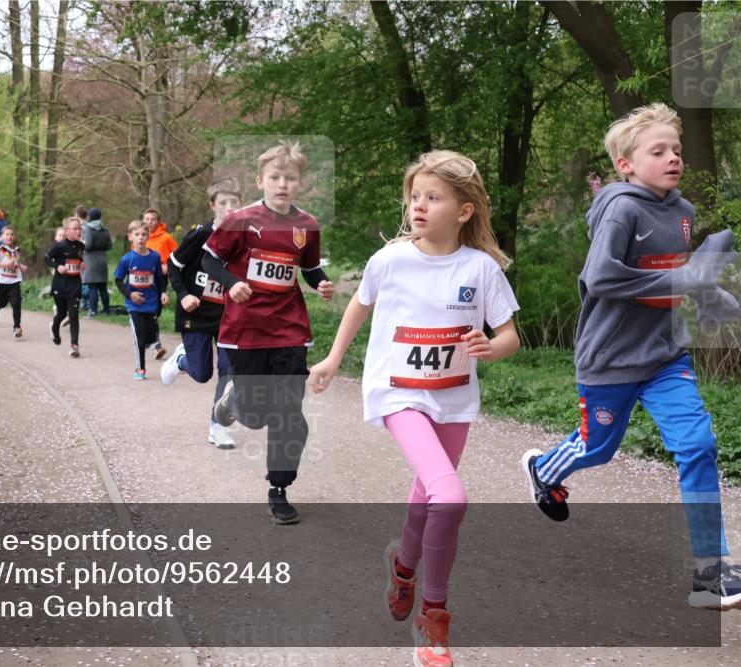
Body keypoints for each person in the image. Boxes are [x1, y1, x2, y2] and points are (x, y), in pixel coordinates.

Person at [519, 103, 741, 611]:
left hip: (666, 357)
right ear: (626, 164)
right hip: (611, 359)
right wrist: (684, 280)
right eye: (658, 151)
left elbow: (683, 277)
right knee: (598, 449)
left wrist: (712, 298)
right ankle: (545, 471)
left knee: (699, 445)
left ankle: (712, 573)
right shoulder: (621, 209)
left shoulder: (683, 214)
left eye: (677, 151)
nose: (672, 159)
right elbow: (600, 279)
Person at [309, 150, 520, 666]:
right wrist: (334, 359)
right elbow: (360, 305)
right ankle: (434, 617)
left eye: (433, 197)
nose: (418, 206)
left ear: (464, 210)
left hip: (453, 397)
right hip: (398, 391)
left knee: (427, 494)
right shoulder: (391, 260)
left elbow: (510, 334)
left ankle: (403, 566)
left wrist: (494, 347)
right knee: (449, 496)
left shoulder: (480, 268)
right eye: (414, 196)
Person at [201, 140, 334, 526]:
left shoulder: (306, 225)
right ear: (261, 180)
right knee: (257, 416)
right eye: (275, 177)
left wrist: (322, 283)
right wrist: (230, 282)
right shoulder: (241, 220)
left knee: (290, 413)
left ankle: (279, 488)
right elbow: (210, 258)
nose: (282, 184)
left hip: (290, 328)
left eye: (290, 178)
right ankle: (233, 405)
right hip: (245, 329)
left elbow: (309, 268)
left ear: (300, 184)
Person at [163, 180, 242, 449]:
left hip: (227, 315)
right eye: (223, 203)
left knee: (229, 371)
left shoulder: (245, 238)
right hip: (195, 313)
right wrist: (183, 294)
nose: (229, 208)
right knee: (201, 373)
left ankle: (218, 427)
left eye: (234, 203)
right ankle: (181, 360)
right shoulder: (199, 235)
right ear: (212, 205)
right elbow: (173, 266)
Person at [114, 220, 168, 379]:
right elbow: (118, 280)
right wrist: (130, 295)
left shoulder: (155, 257)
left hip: (151, 304)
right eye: (137, 234)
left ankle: (146, 343)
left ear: (148, 236)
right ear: (130, 237)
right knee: (139, 337)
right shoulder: (126, 259)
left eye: (144, 234)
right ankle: (140, 369)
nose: (140, 238)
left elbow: (159, 278)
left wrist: (163, 293)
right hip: (134, 305)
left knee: (149, 338)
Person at [45, 216, 86, 357]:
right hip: (60, 285)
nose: (78, 231)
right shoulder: (61, 246)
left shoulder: (81, 246)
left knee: (73, 315)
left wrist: (81, 264)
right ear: (67, 231)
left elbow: (78, 259)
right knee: (61, 313)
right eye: (75, 228)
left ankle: (75, 346)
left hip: (75, 284)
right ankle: (54, 327)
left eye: (79, 228)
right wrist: (58, 266)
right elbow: (47, 258)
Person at [144, 207, 178, 359]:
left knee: (155, 313)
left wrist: (167, 265)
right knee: (150, 313)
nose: (150, 222)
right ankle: (156, 344)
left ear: (158, 221)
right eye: (147, 219)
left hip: (159, 279)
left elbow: (179, 256)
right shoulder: (141, 237)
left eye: (153, 219)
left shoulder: (166, 238)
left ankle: (149, 338)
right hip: (143, 281)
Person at [0, 226, 28, 338]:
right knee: (2, 303)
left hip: (15, 281)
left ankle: (17, 327)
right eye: (7, 234)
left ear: (14, 236)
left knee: (16, 303)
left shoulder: (17, 249)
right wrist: (5, 265)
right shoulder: (1, 249)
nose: (10, 236)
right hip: (2, 282)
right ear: (2, 237)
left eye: (11, 234)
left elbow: (16, 262)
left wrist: (21, 267)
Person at [81, 206, 113, 317]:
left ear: (90, 216)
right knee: (103, 287)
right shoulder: (105, 229)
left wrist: (81, 244)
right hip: (102, 258)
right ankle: (106, 310)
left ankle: (93, 310)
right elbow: (109, 245)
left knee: (92, 286)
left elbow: (88, 245)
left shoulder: (88, 229)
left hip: (91, 259)